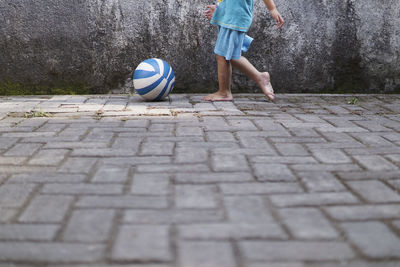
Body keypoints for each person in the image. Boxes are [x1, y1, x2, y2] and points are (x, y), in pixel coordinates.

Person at [202, 0, 284, 102]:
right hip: (230, 15)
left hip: (236, 17)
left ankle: (227, 91)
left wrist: (272, 9)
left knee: (226, 54)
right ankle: (225, 91)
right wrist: (220, 7)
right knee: (224, 54)